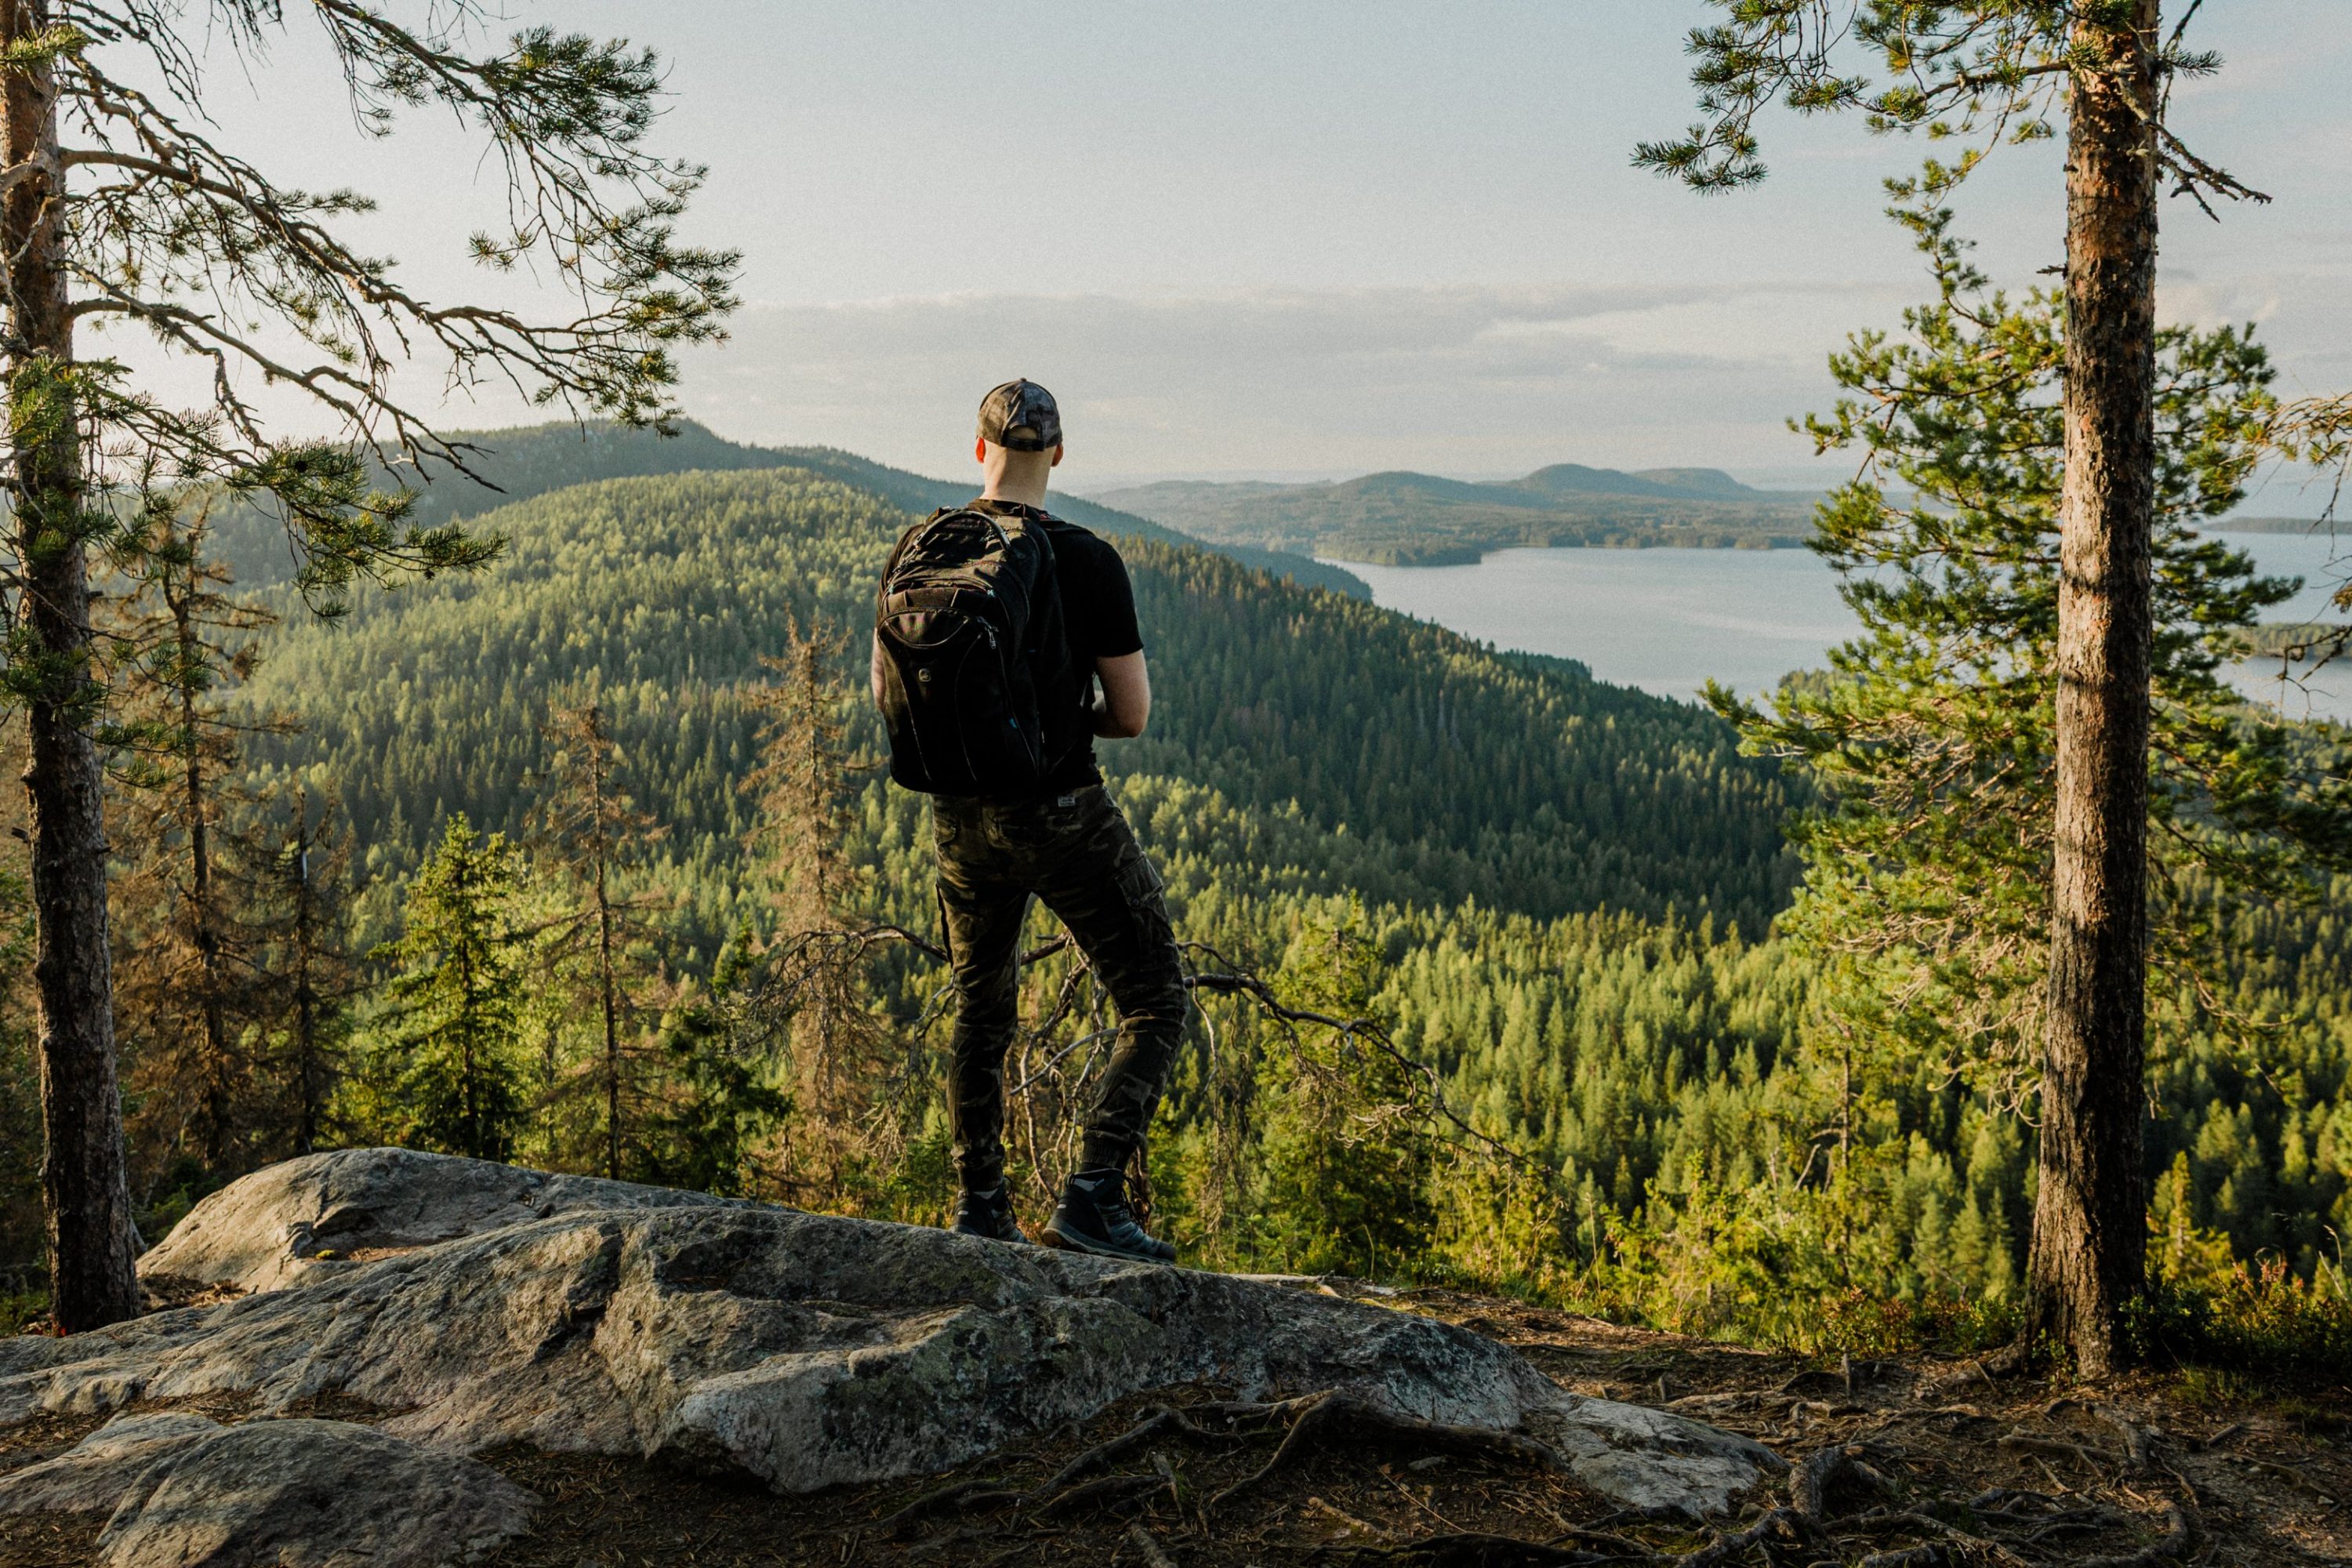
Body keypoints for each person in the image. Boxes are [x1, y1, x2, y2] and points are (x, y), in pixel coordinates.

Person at [871, 379, 1187, 1263]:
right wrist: (1049, 722)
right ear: (1059, 454)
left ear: (979, 451)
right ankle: (1091, 1196)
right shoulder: (1086, 559)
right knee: (1156, 996)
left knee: (980, 1008)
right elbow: (1129, 716)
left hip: (958, 819)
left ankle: (980, 1208)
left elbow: (883, 692)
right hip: (1059, 811)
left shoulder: (920, 548)